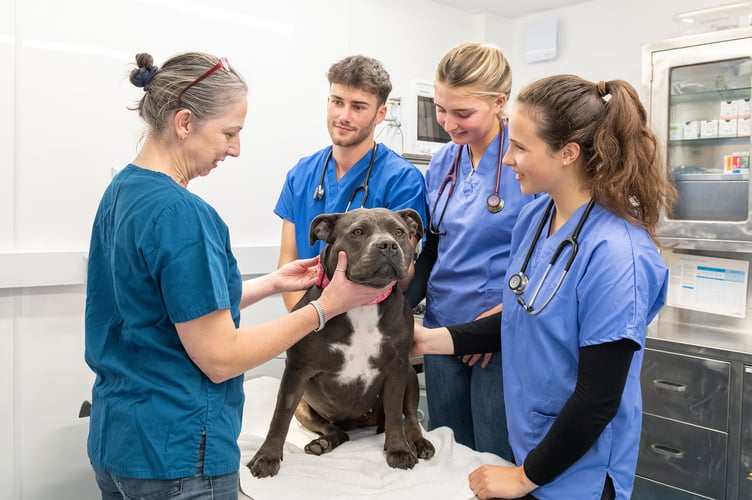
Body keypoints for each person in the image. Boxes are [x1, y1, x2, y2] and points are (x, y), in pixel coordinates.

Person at [84, 51, 395, 500]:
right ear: (185, 122)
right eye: (229, 133)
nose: (234, 148)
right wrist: (326, 308)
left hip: (119, 441)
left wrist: (272, 283)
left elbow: (161, 309)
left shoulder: (123, 192)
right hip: (178, 452)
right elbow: (221, 357)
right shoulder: (183, 215)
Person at [411, 74, 678, 499]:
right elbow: (519, 319)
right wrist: (424, 340)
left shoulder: (618, 254)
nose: (506, 159)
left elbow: (598, 399)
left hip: (579, 469)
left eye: (520, 147)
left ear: (568, 153)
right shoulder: (534, 221)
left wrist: (523, 477)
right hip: (531, 445)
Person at [404, 42, 535, 460]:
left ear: (499, 103)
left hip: (498, 332)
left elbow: (543, 258)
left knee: (493, 457)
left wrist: (494, 324)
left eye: (463, 113)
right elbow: (433, 248)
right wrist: (399, 307)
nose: (448, 123)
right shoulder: (443, 161)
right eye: (442, 109)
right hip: (442, 328)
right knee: (449, 450)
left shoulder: (525, 159)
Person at [274, 54, 427, 311]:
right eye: (337, 102)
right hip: (307, 320)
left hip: (372, 322)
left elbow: (401, 268)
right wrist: (305, 321)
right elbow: (288, 259)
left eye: (358, 107)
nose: (344, 116)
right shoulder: (300, 174)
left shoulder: (402, 179)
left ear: (380, 114)